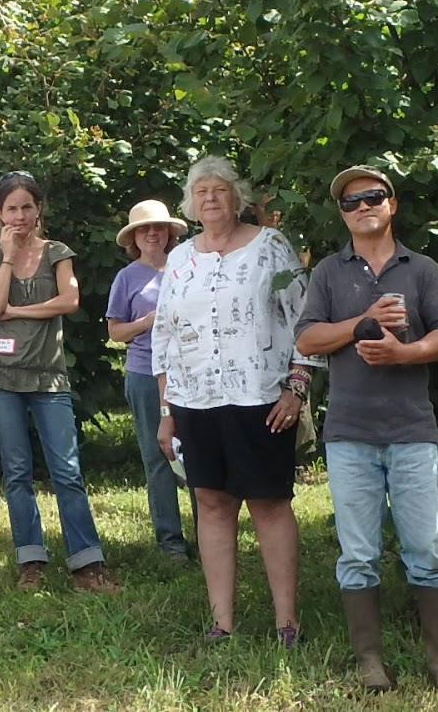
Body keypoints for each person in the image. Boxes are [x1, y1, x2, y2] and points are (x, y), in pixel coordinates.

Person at [294, 165, 438, 695]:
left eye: (373, 196)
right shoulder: (327, 271)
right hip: (348, 433)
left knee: (429, 550)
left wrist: (405, 353)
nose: (363, 206)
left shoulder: (422, 270)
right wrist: (362, 322)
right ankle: (370, 662)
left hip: (413, 429)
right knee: (357, 553)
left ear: (392, 204)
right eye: (351, 202)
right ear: (343, 214)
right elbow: (306, 340)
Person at [151, 159, 310, 643]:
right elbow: (164, 336)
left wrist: (297, 387)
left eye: (219, 190)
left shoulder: (270, 247)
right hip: (195, 401)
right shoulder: (179, 258)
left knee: (269, 503)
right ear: (190, 203)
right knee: (212, 503)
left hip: (259, 397)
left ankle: (287, 622)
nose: (211, 199)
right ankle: (221, 623)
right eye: (201, 192)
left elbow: (305, 320)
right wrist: (165, 411)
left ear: (236, 197)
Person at [0, 172, 117, 593]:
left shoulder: (57, 252)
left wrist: (19, 312)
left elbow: (69, 301)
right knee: (17, 471)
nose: (20, 216)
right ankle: (30, 562)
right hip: (2, 378)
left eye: (27, 207)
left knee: (67, 470)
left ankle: (86, 565)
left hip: (49, 376)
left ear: (39, 210)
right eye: (11, 208)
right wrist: (6, 259)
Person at [106, 199, 191, 561]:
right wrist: (147, 321)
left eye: (159, 227)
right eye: (144, 228)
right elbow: (115, 332)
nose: (153, 233)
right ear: (134, 238)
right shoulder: (127, 277)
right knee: (159, 456)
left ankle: (211, 536)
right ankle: (170, 544)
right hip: (144, 374)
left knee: (200, 456)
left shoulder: (188, 265)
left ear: (170, 232)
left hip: (192, 373)